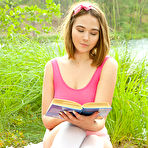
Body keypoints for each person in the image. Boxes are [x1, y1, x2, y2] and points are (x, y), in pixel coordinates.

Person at [42, 1, 118, 148]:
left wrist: (86, 122)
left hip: (95, 135)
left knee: (94, 143)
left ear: (100, 36)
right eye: (80, 30)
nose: (86, 38)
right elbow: (47, 120)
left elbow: (100, 121)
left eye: (93, 33)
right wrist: (72, 119)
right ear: (70, 29)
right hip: (59, 135)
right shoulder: (52, 66)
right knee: (71, 130)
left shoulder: (108, 65)